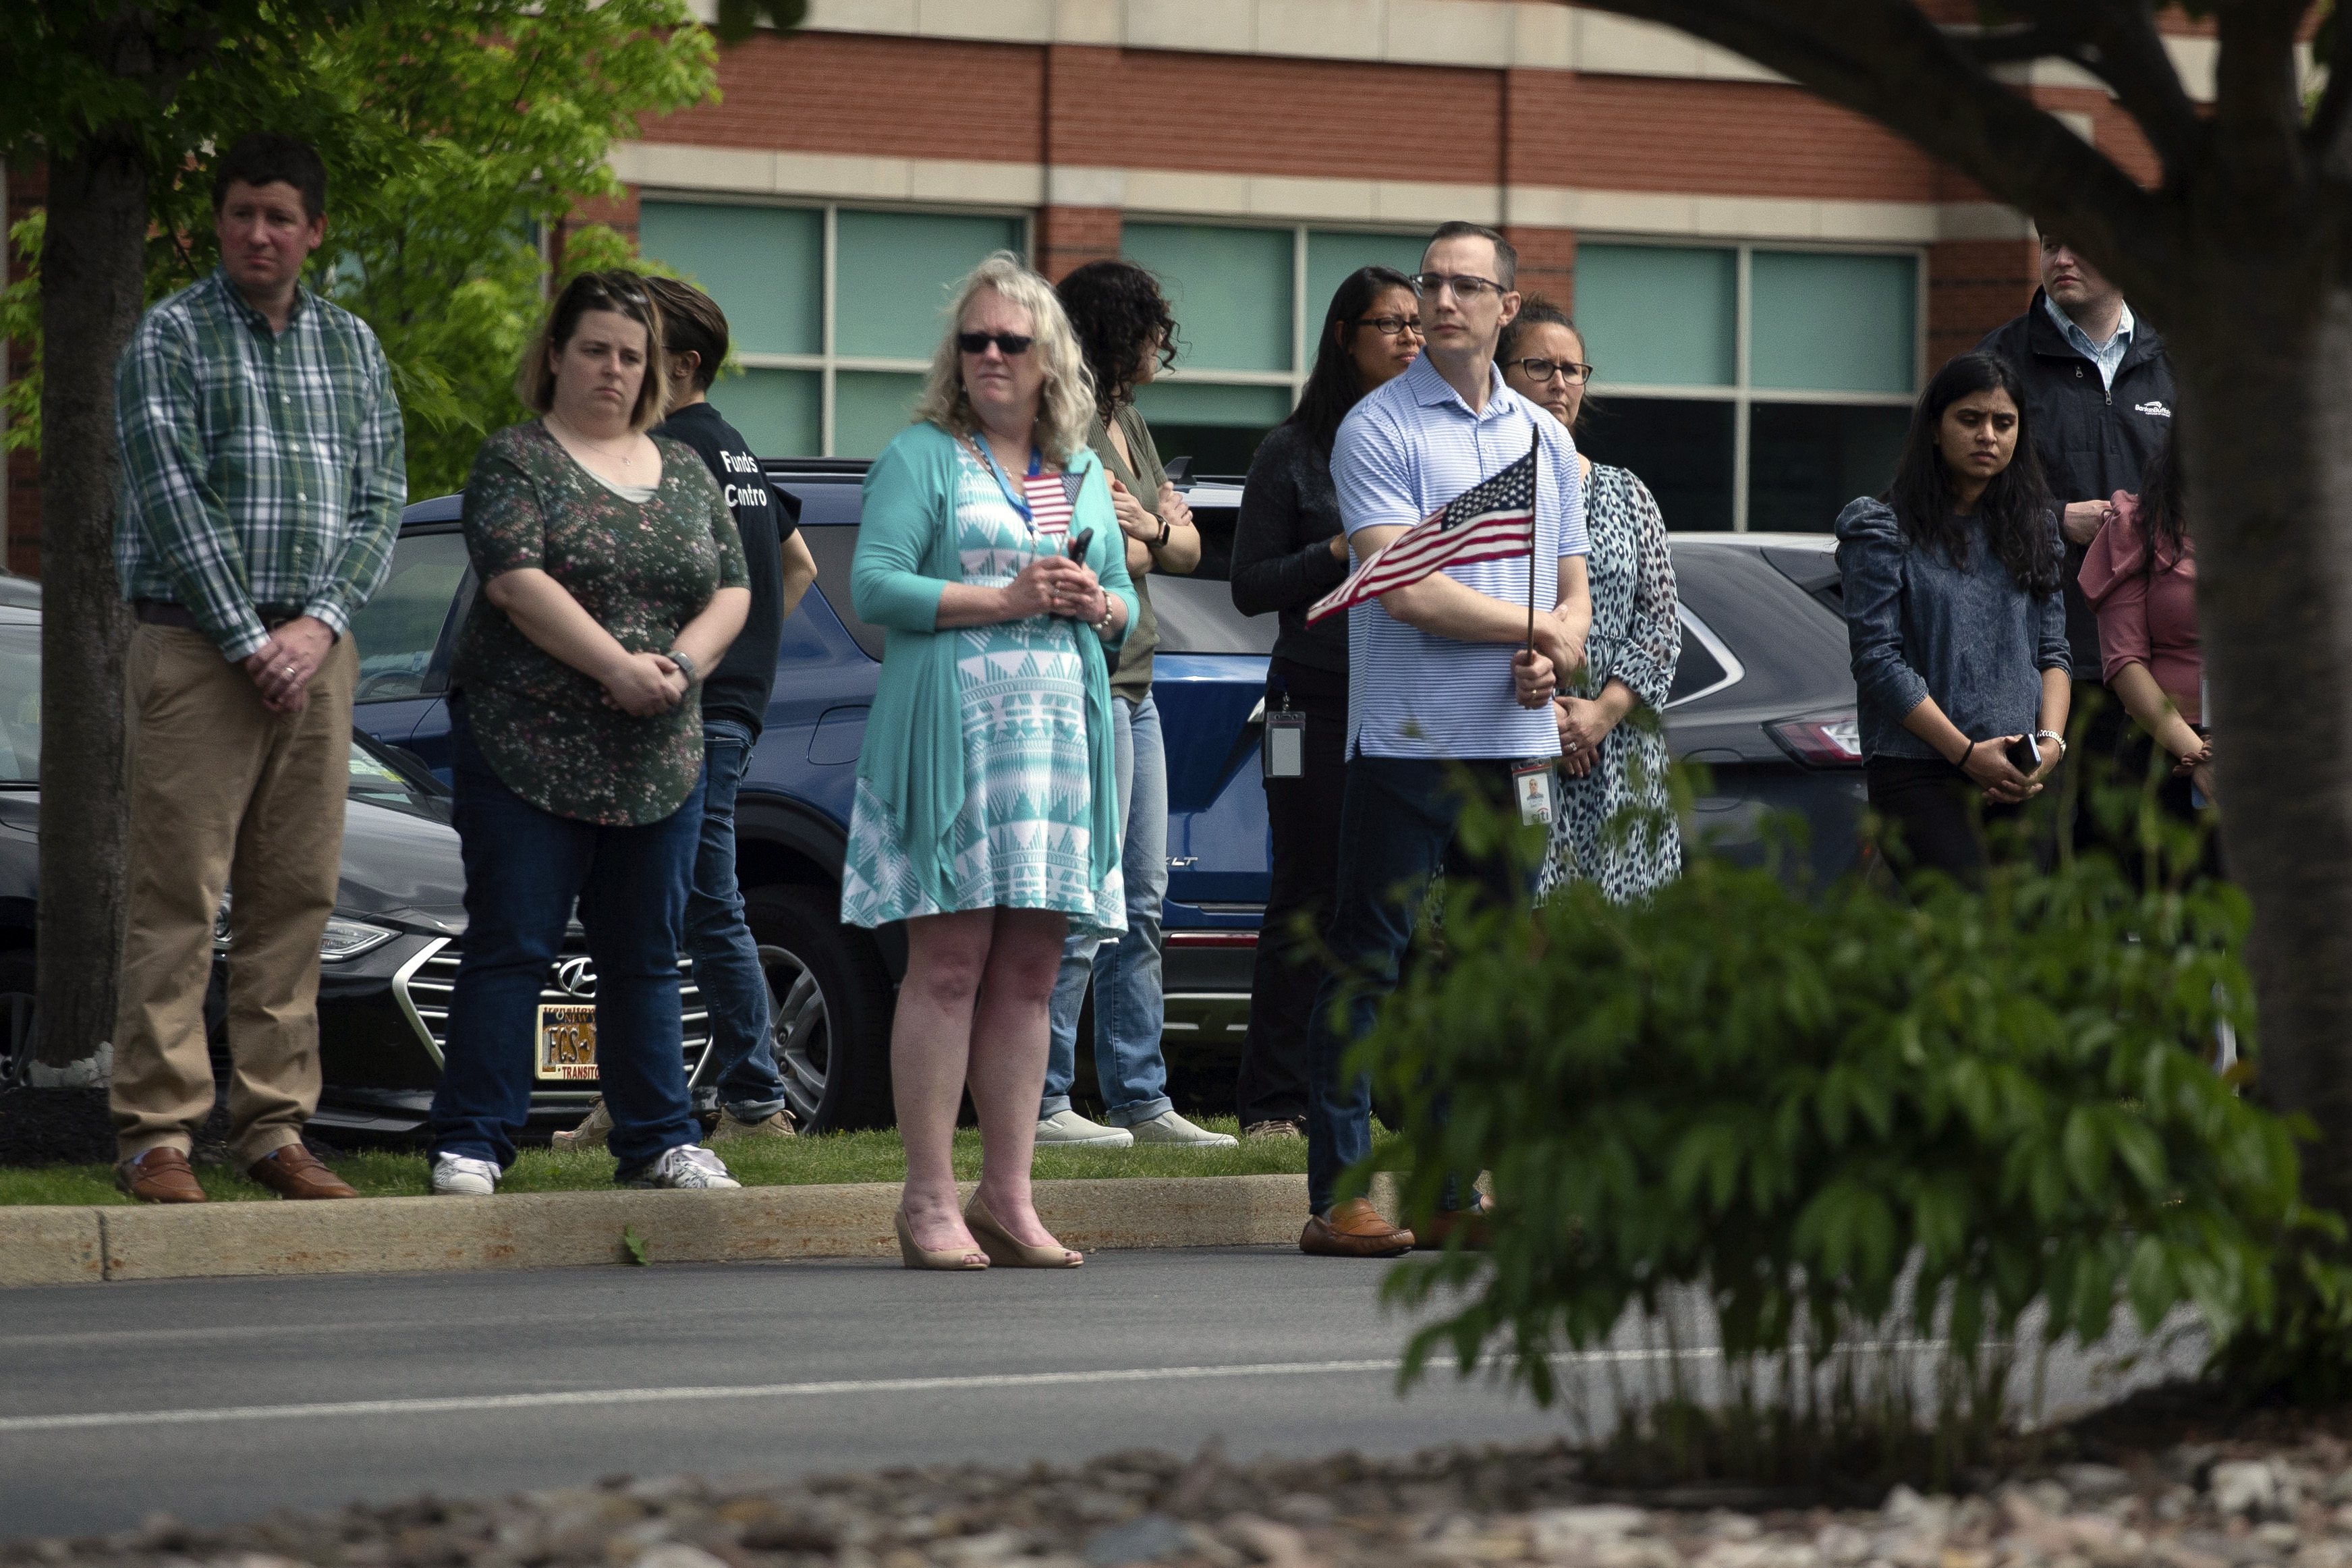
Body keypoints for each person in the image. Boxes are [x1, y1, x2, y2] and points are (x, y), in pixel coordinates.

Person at [109, 133, 406, 1205]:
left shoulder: (355, 347)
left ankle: (275, 1129)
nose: (260, 233)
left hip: (317, 654)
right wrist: (249, 640)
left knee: (295, 899)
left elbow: (381, 501)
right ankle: (157, 1135)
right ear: (219, 223)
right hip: (195, 648)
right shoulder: (170, 336)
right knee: (178, 896)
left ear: (313, 230)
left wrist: (318, 628)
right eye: (242, 214)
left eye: (281, 216)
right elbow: (171, 500)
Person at [426, 271, 752, 1198]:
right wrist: (614, 665)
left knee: (646, 954)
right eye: (595, 349)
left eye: (630, 355)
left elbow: (734, 588)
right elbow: (514, 581)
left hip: (660, 754)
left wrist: (679, 669)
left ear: (652, 370)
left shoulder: (686, 471)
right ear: (558, 356)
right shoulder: (514, 460)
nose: (613, 369)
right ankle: (474, 1142)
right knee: (513, 945)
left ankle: (657, 1140)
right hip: (525, 745)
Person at [841, 252, 1137, 1270]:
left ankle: (1007, 1198)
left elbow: (1122, 599)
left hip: (1056, 752)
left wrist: (1102, 604)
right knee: (950, 966)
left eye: (1011, 340)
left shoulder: (1080, 470)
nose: (990, 356)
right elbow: (874, 587)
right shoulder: (924, 456)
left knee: (1032, 973)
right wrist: (1001, 600)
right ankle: (926, 1201)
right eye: (973, 341)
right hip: (954, 747)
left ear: (1048, 358)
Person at [1302, 222, 1591, 1259]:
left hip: (1511, 750)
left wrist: (1556, 651)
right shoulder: (1377, 428)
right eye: (1430, 282)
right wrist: (1532, 630)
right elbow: (1404, 587)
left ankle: (1449, 1194)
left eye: (1467, 284)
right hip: (1404, 743)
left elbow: (1571, 586)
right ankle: (1338, 1196)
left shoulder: (1541, 439)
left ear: (1508, 306)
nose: (1442, 299)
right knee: (1368, 965)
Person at [553, 277, 822, 1152]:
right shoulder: (736, 451)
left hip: (683, 712)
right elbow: (801, 567)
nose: (621, 364)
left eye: (640, 349)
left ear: (682, 363)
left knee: (704, 903)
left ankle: (753, 1103)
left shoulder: (665, 453)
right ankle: (636, 1095)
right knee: (650, 908)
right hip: (727, 710)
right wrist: (748, 663)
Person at [1035, 259, 1232, 1151]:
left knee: (1143, 898)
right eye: (1153, 327)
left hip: (1139, 684)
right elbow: (1083, 548)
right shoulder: (1057, 421)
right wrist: (1149, 536)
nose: (1163, 343)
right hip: (1086, 684)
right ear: (1117, 329)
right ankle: (1040, 1102)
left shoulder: (1131, 422)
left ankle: (1140, 1100)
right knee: (1086, 897)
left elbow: (1182, 548)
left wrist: (1147, 527)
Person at [1229, 265, 1422, 1140]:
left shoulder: (1423, 445)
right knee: (1301, 896)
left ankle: (1385, 1097)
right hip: (1303, 707)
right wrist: (1338, 550)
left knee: (1391, 903)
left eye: (1418, 325)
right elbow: (1247, 585)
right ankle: (1275, 1105)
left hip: (1402, 703)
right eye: (1390, 324)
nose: (1411, 339)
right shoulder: (1292, 451)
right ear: (1344, 334)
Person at [1835, 352, 2071, 885]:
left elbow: (2053, 653)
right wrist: (1965, 754)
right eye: (1970, 419)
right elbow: (1877, 661)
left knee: (2023, 946)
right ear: (1936, 430)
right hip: (1920, 772)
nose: (1988, 435)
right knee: (1971, 927)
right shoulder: (1880, 528)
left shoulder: (2035, 528)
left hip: (2022, 773)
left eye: (2003, 423)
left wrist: (2051, 747)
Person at [1975, 231, 2173, 814]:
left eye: (2082, 243)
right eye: (2051, 243)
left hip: (2160, 665)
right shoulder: (1998, 363)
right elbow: (1949, 504)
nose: (2061, 260)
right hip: (2044, 668)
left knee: (2151, 867)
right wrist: (2056, 520)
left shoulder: (2178, 364)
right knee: (2051, 864)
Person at [1498, 297, 1682, 902]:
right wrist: (1551, 719)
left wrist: (1598, 716)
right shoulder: (1476, 487)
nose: (1559, 382)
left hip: (1620, 750)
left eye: (1572, 369)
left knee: (1623, 950)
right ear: (1500, 374)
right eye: (1539, 366)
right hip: (1511, 733)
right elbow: (1460, 610)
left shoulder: (1627, 493)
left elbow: (1659, 627)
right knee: (1521, 934)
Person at [2077, 428, 2214, 819]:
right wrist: (2199, 757)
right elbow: (2124, 664)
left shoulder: (2289, 530)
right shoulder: (2136, 526)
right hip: (2164, 749)